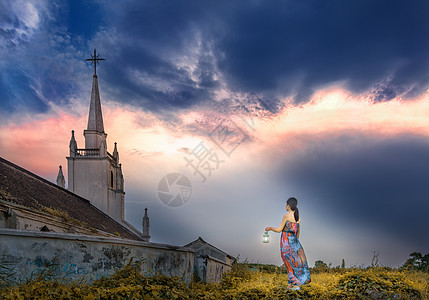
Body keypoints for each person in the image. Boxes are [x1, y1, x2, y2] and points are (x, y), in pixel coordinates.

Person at [265, 197, 311, 289]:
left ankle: (295, 284)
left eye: (286, 204)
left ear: (289, 205)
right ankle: (290, 284)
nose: (285, 206)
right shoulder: (298, 219)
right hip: (296, 244)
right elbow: (298, 235)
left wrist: (269, 228)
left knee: (288, 263)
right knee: (296, 263)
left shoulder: (286, 216)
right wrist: (295, 245)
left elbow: (279, 230)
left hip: (286, 242)